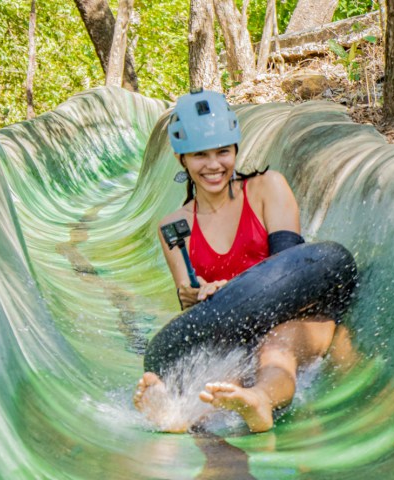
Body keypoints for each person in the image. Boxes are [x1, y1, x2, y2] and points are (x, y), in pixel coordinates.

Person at [133, 90, 356, 433]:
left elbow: (291, 274)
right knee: (222, 372)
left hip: (297, 316)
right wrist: (198, 295)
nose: (213, 165)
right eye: (200, 155)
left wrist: (236, 291)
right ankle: (177, 416)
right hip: (232, 333)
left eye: (223, 152)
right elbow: (189, 307)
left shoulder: (268, 188)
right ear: (183, 160)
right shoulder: (174, 227)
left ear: (236, 150)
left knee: (275, 348)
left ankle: (261, 401)